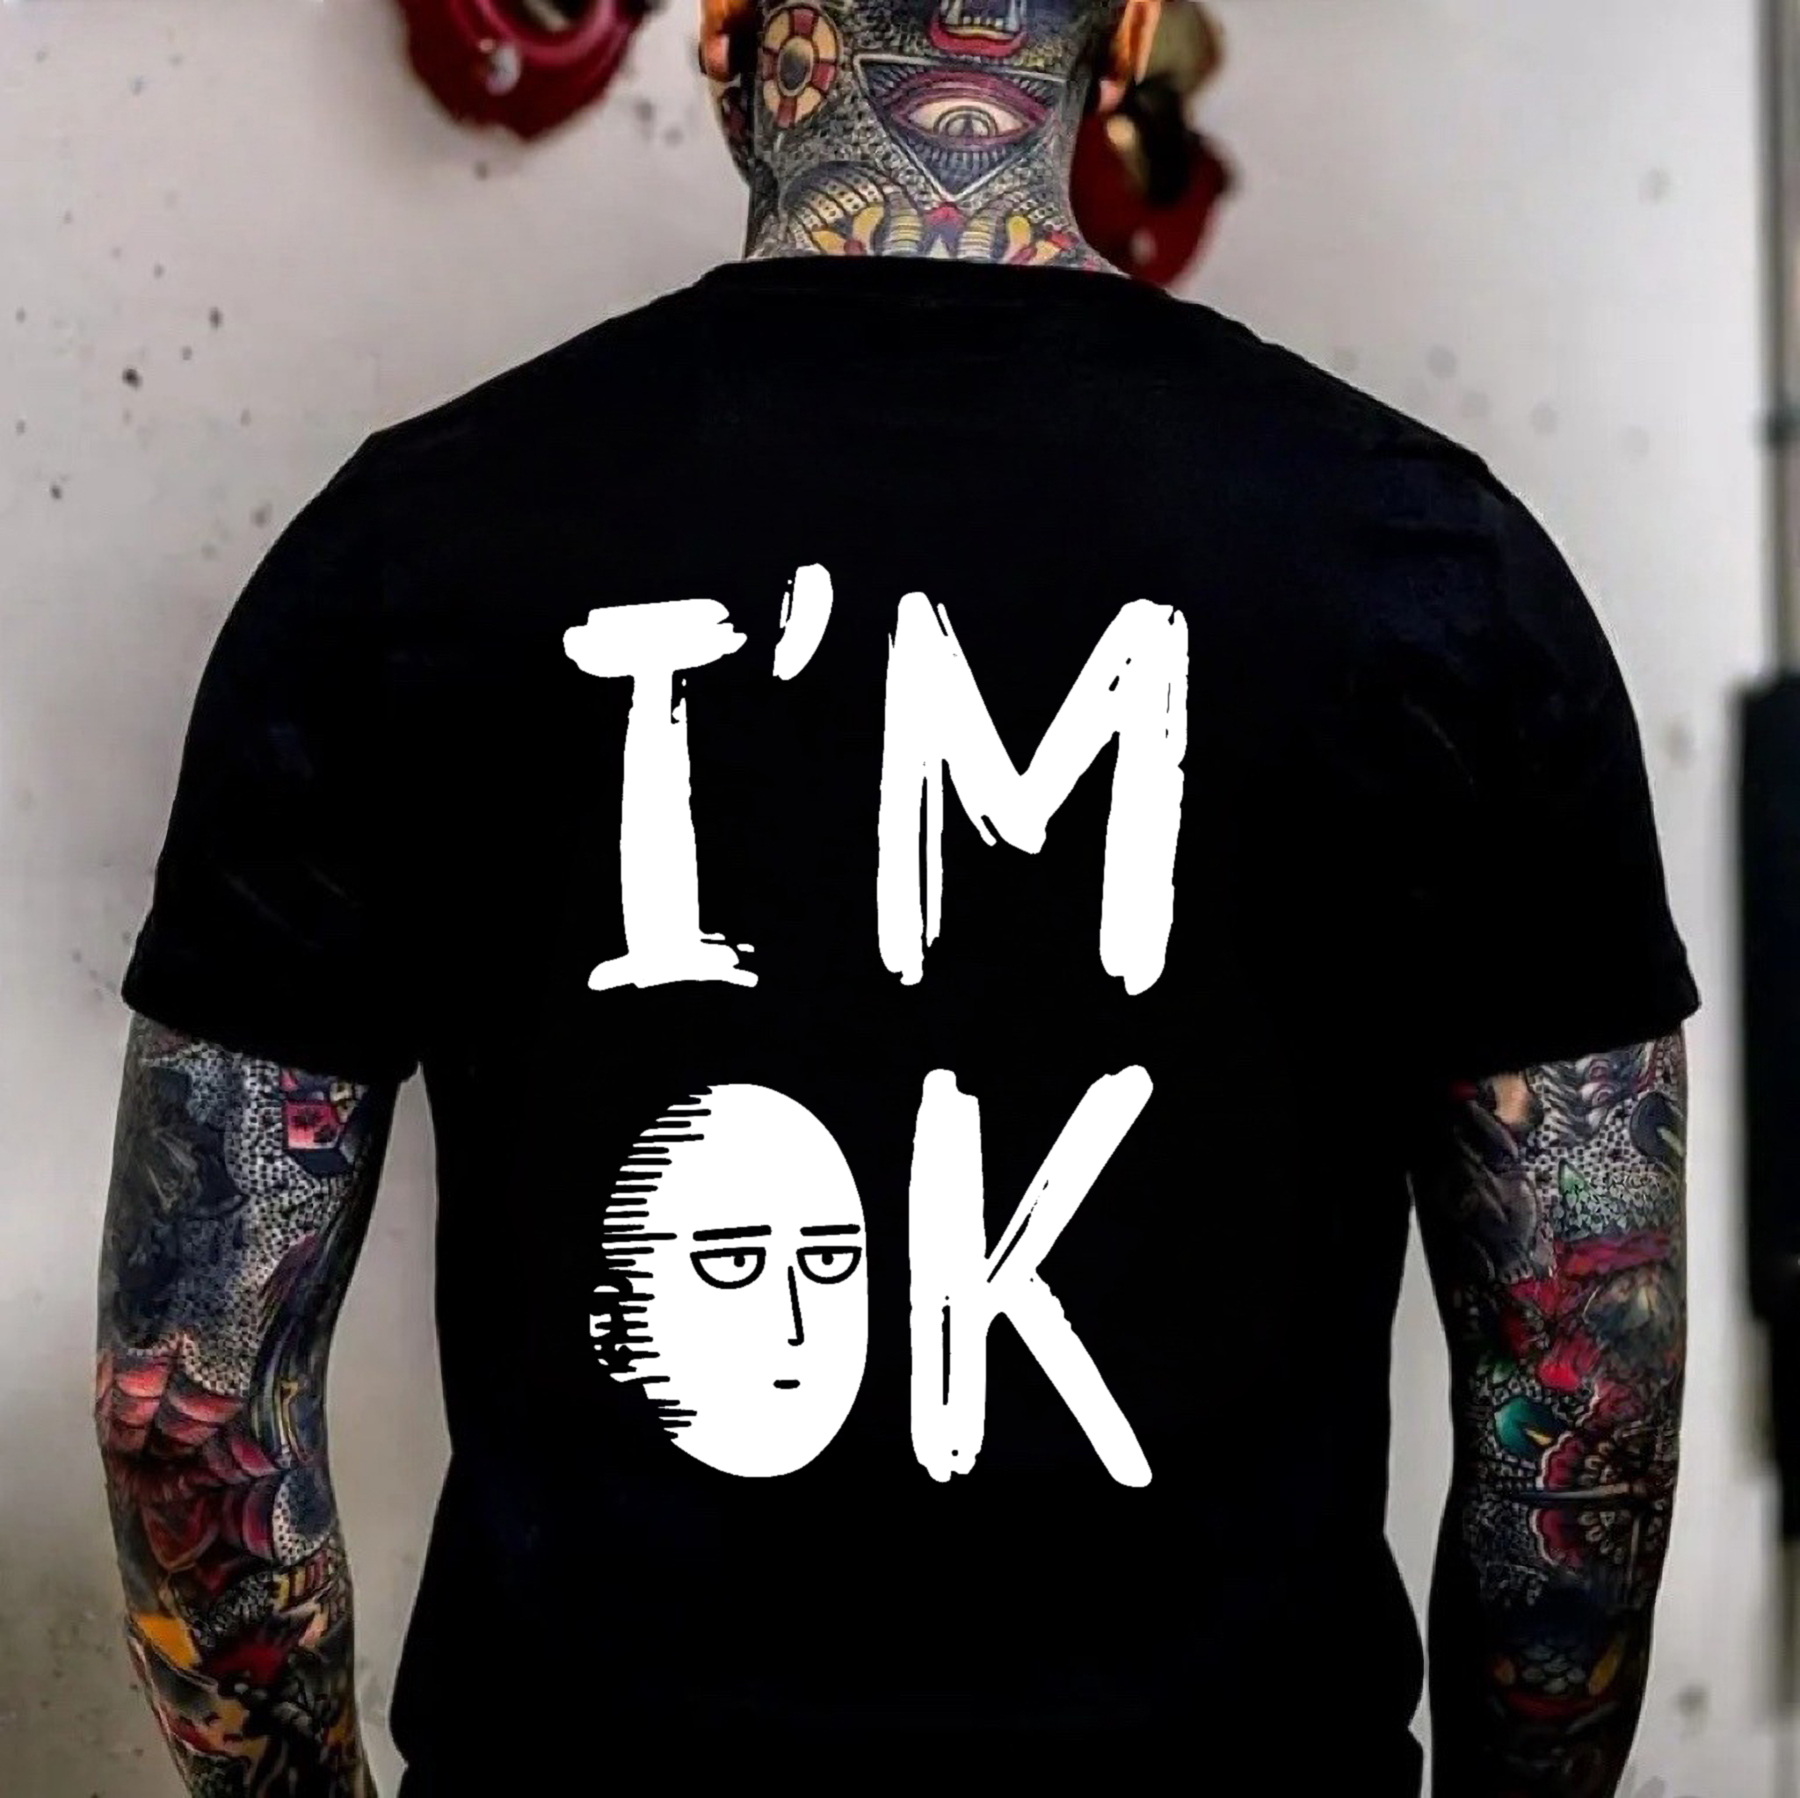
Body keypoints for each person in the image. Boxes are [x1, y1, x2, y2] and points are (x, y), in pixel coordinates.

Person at [93, 0, 1699, 1790]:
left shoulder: (403, 555)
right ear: (1132, 27)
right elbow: (1587, 1403)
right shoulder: (1441, 576)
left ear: (725, 24)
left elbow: (192, 1410)